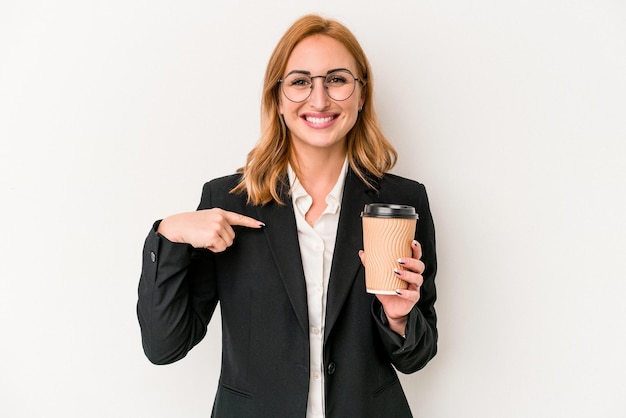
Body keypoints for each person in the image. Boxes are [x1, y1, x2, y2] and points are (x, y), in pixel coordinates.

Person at [137, 14, 437, 418]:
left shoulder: (402, 200)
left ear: (361, 93)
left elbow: (416, 357)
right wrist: (168, 235)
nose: (319, 100)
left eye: (337, 79)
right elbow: (165, 346)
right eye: (299, 81)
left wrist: (399, 317)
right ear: (277, 98)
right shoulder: (227, 201)